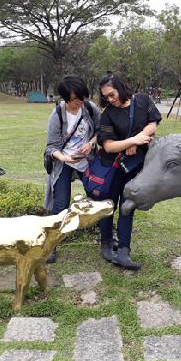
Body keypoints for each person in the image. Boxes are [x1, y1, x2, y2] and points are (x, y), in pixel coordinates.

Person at [97, 74, 161, 270]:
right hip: (113, 166)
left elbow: (154, 122)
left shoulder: (142, 101)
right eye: (106, 97)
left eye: (112, 94)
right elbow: (108, 146)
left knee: (128, 205)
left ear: (120, 88)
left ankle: (124, 250)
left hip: (135, 165)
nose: (110, 99)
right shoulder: (107, 114)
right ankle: (106, 245)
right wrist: (132, 142)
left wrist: (140, 136)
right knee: (109, 205)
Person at [43, 75, 100, 263]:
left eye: (82, 97)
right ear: (66, 98)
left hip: (87, 161)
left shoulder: (90, 108)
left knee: (98, 198)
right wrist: (64, 157)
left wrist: (91, 143)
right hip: (64, 163)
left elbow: (101, 131)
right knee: (60, 205)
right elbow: (51, 147)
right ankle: (51, 245)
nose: (79, 102)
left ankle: (105, 239)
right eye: (75, 99)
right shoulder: (58, 114)